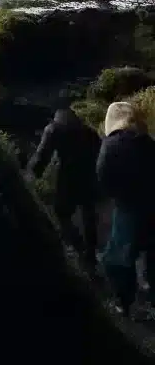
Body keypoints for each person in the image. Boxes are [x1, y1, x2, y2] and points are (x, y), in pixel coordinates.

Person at [97, 101, 155, 316]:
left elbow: (102, 174)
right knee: (152, 255)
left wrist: (115, 195)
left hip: (129, 207)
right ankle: (151, 297)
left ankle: (124, 303)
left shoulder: (111, 144)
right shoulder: (147, 141)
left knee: (117, 259)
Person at [27, 105, 100, 270]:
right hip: (89, 174)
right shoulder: (88, 131)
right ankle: (91, 253)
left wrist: (31, 175)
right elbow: (100, 153)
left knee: (61, 213)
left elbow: (42, 155)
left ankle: (77, 246)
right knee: (88, 213)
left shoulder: (53, 128)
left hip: (68, 176)